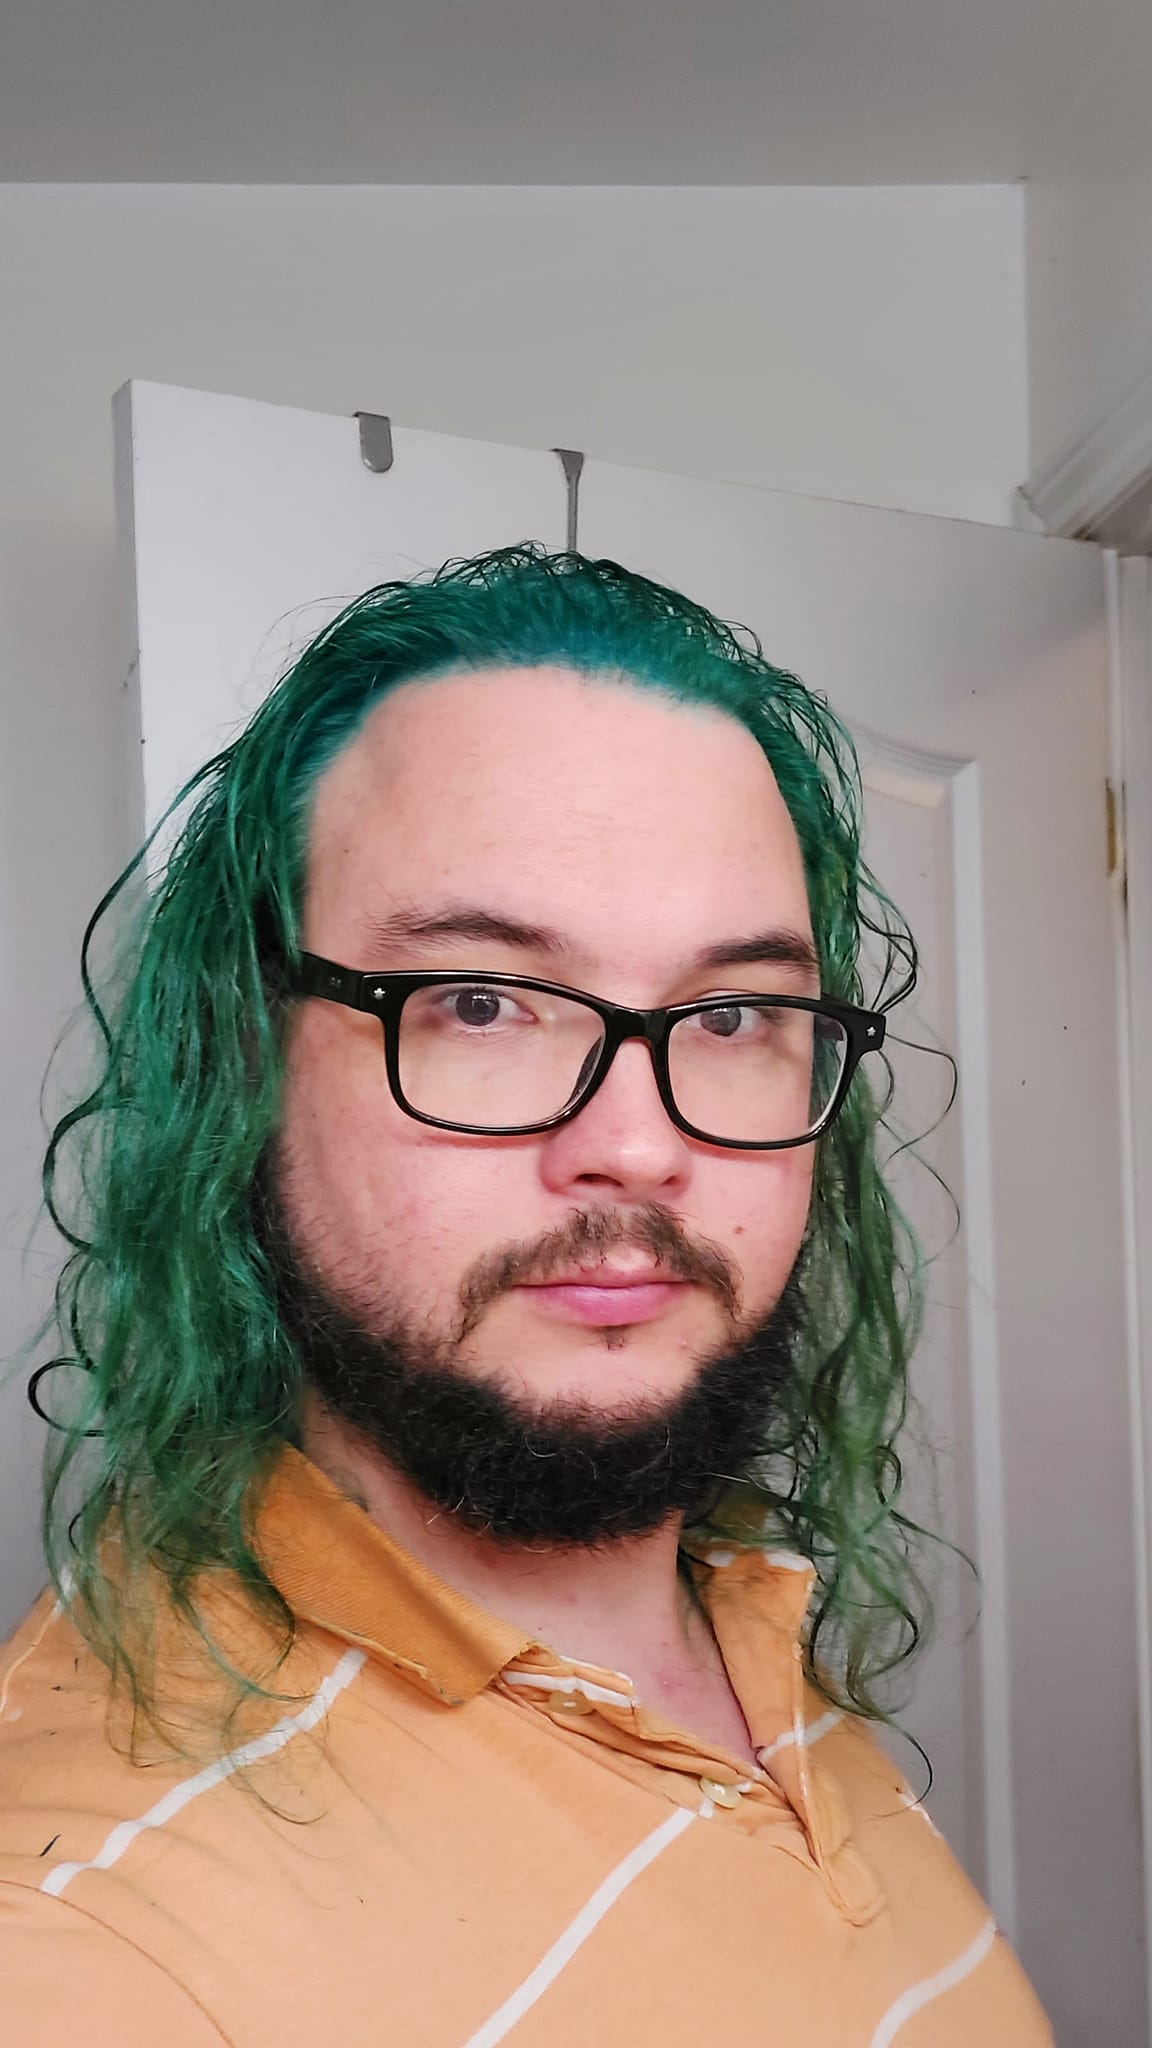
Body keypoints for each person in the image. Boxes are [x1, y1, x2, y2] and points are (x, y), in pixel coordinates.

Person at [0, 547, 1050, 2044]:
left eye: (738, 1010)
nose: (638, 1145)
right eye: (481, 1001)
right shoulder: (89, 1950)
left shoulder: (740, 1626)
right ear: (241, 1060)